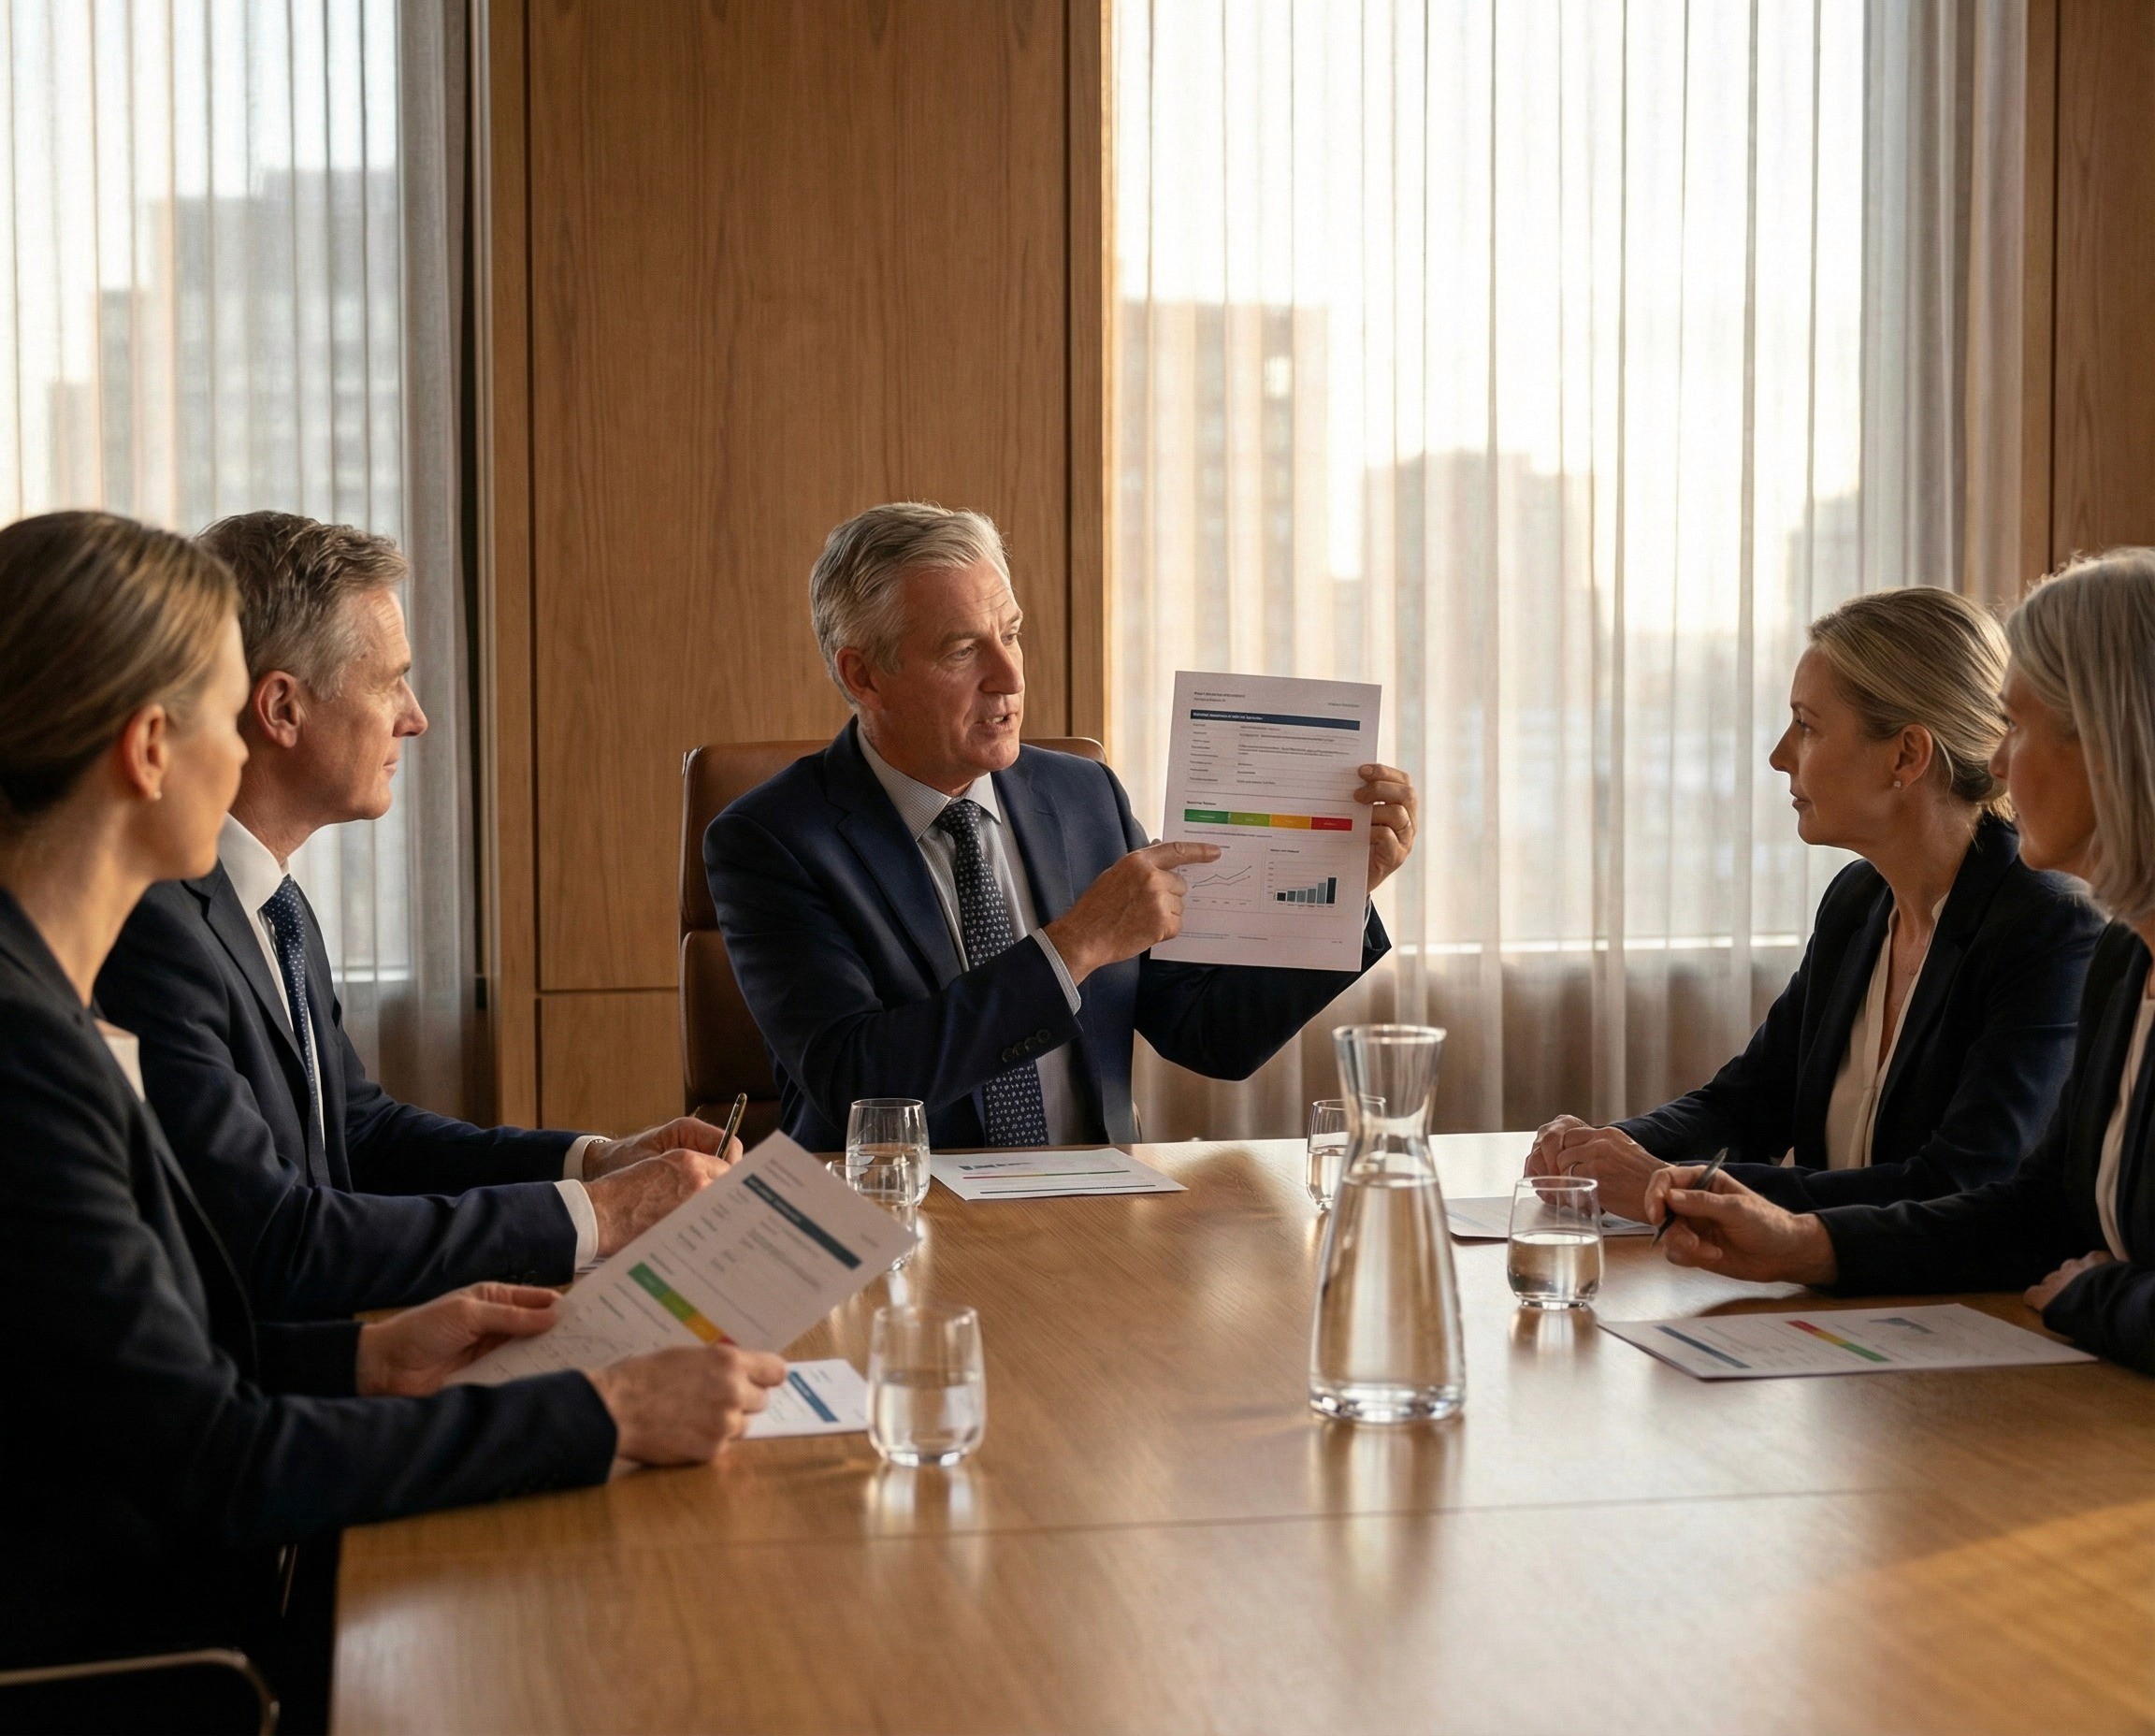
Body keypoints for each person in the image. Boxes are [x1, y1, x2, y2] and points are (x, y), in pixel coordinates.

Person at [0, 512, 785, 1712]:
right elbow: (213, 1459)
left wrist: (366, 1352)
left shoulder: (43, 998)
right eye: (223, 714)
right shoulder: (28, 1048)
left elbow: (131, 1371)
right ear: (154, 746)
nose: (239, 761)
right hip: (155, 1657)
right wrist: (600, 1410)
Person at [95, 512, 735, 1318]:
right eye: (388, 679)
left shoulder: (271, 899)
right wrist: (601, 1217)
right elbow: (266, 1243)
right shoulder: (156, 926)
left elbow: (356, 1137)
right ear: (282, 709)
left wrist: (594, 1164)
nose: (415, 715)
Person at [705, 502, 1418, 1150]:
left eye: (1011, 635)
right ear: (864, 676)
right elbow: (860, 1082)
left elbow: (1209, 1036)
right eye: (962, 651)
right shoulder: (771, 840)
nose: (1009, 677)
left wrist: (1330, 893)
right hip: (897, 1218)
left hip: (1092, 1213)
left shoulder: (1083, 796)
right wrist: (1075, 945)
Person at [1644, 551, 2155, 1374]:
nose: (1994, 763)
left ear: (2112, 746)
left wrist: (2099, 1293)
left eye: (2018, 728)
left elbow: (1977, 1187)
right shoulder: (2128, 959)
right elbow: (2039, 1213)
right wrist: (1800, 1242)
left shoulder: (2062, 930)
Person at [1526, 586, 2101, 1221]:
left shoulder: (2046, 926)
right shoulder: (1857, 902)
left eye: (1807, 725)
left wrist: (1670, 1186)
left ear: (1906, 755)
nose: (1779, 755)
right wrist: (1607, 1150)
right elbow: (1746, 1102)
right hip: (1840, 1308)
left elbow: (1959, 1183)